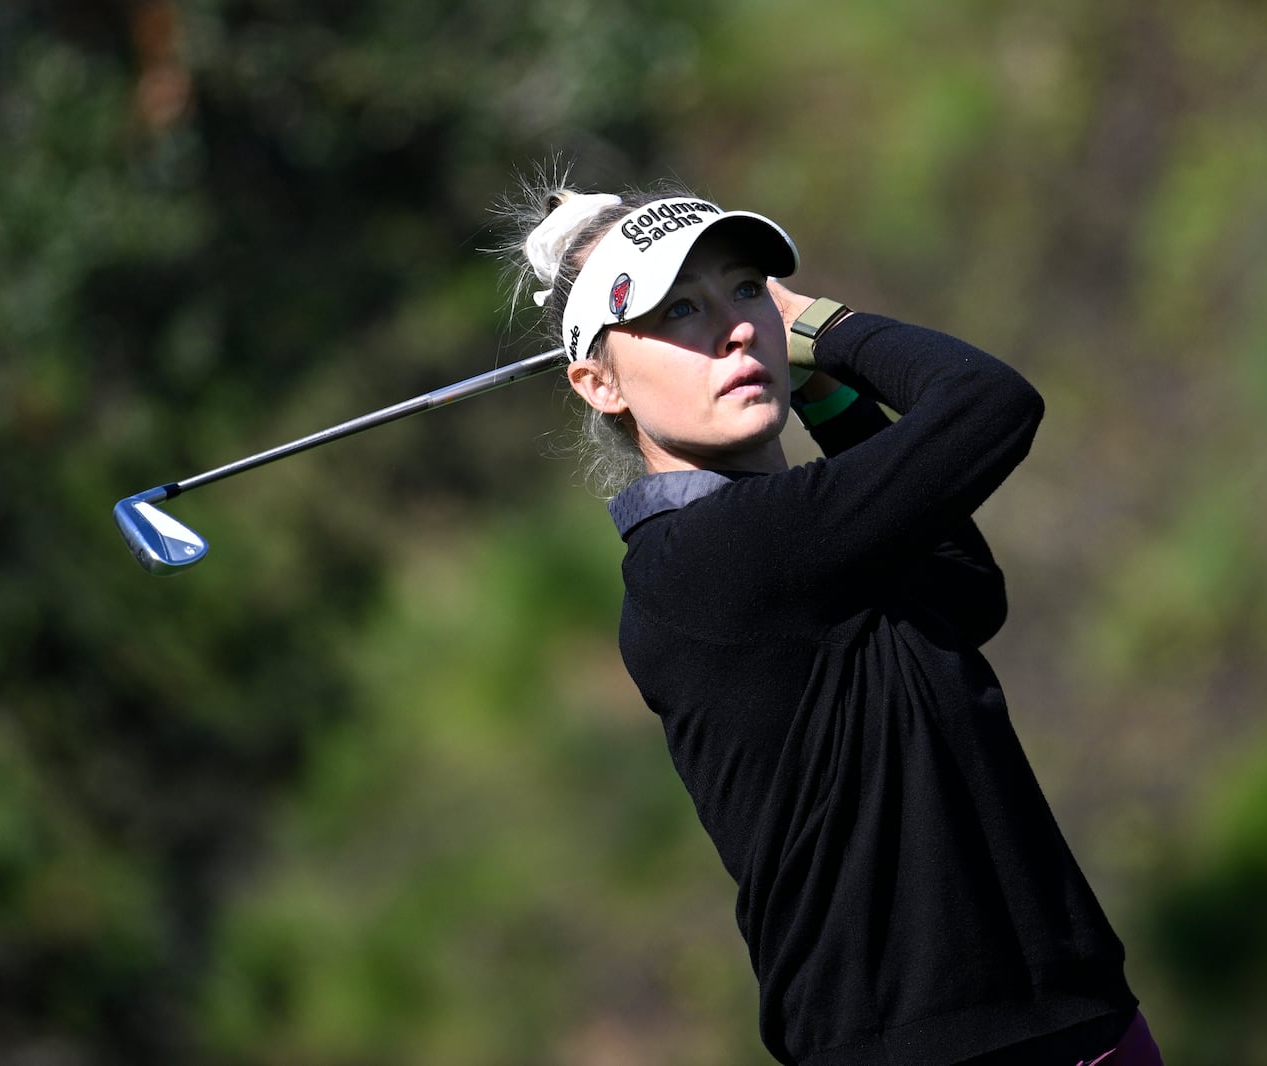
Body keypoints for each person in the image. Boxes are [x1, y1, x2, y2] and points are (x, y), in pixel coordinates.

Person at [499, 177, 1165, 1066]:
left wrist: (820, 394)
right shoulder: (703, 560)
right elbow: (989, 404)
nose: (739, 327)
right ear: (599, 383)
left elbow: (966, 591)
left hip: (1080, 1021)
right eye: (679, 312)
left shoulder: (810, 543)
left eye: (746, 291)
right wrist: (822, 328)